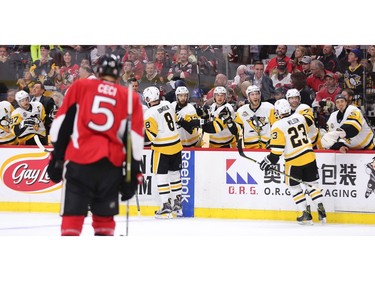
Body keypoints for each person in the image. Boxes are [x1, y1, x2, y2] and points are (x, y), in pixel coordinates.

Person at [46, 54, 144, 236]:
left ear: (98, 71)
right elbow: (135, 141)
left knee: (72, 218)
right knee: (104, 220)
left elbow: (60, 126)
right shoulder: (129, 97)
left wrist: (57, 158)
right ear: (118, 74)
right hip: (110, 165)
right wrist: (133, 173)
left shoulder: (81, 86)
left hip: (78, 161)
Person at [259, 98, 327, 224]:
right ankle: (320, 206)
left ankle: (304, 213)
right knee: (312, 184)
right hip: (309, 156)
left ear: (278, 112)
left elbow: (276, 153)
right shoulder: (300, 117)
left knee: (294, 187)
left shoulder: (277, 125)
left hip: (294, 161)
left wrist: (267, 161)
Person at [143, 86, 183, 219]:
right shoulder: (168, 104)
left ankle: (166, 206)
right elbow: (175, 121)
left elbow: (151, 137)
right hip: (176, 146)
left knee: (161, 176)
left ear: (149, 98)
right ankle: (177, 204)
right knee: (174, 175)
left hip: (162, 148)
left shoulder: (149, 113)